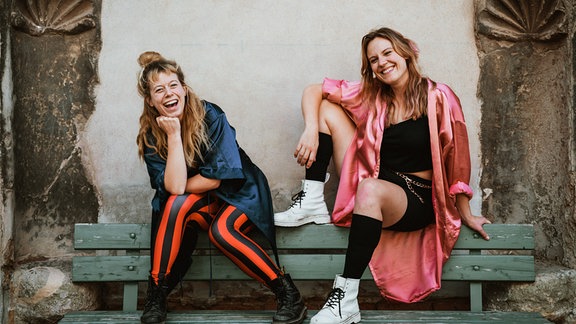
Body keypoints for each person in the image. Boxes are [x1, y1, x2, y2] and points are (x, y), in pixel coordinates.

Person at [274, 27, 492, 324]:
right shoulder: (374, 97)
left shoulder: (438, 96)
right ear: (371, 69)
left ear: (405, 53)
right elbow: (314, 90)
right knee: (326, 108)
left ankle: (346, 299)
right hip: (377, 181)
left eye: (387, 53)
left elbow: (458, 156)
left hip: (416, 196)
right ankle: (312, 199)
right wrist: (311, 129)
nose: (382, 62)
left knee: (370, 190)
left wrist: (465, 212)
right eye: (374, 59)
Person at [136, 51, 307, 324]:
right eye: (159, 90)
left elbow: (214, 180)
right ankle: (156, 295)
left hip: (239, 193)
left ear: (184, 88)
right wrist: (174, 136)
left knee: (222, 232)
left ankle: (288, 295)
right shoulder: (151, 135)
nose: (168, 94)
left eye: (173, 85)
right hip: (202, 201)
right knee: (175, 203)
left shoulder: (210, 115)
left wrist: (179, 185)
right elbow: (174, 190)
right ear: (150, 101)